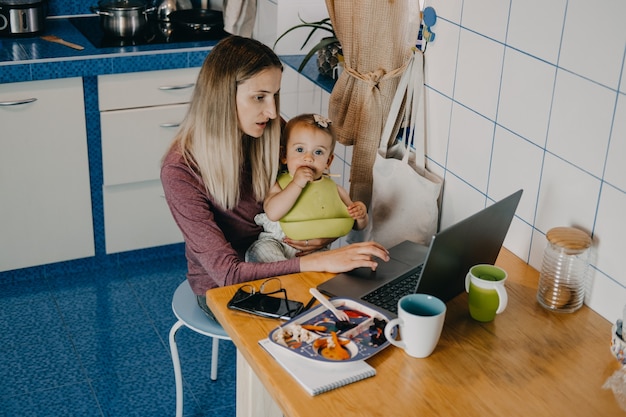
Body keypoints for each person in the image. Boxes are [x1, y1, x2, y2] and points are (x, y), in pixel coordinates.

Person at [160, 35, 389, 319]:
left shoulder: (270, 130)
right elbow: (229, 274)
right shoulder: (180, 171)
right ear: (221, 95)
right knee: (316, 321)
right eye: (259, 97)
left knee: (357, 309)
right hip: (226, 289)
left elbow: (309, 194)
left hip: (289, 261)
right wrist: (319, 260)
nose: (271, 111)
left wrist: (319, 236)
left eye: (275, 96)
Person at [246, 113, 368, 263]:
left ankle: (297, 280)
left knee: (329, 266)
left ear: (328, 161)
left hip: (314, 252)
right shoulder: (278, 183)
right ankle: (285, 273)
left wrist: (361, 214)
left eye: (318, 152)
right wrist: (296, 184)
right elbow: (273, 213)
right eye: (300, 150)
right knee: (261, 251)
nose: (309, 157)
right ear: (284, 155)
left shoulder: (335, 190)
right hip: (278, 244)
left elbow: (354, 224)